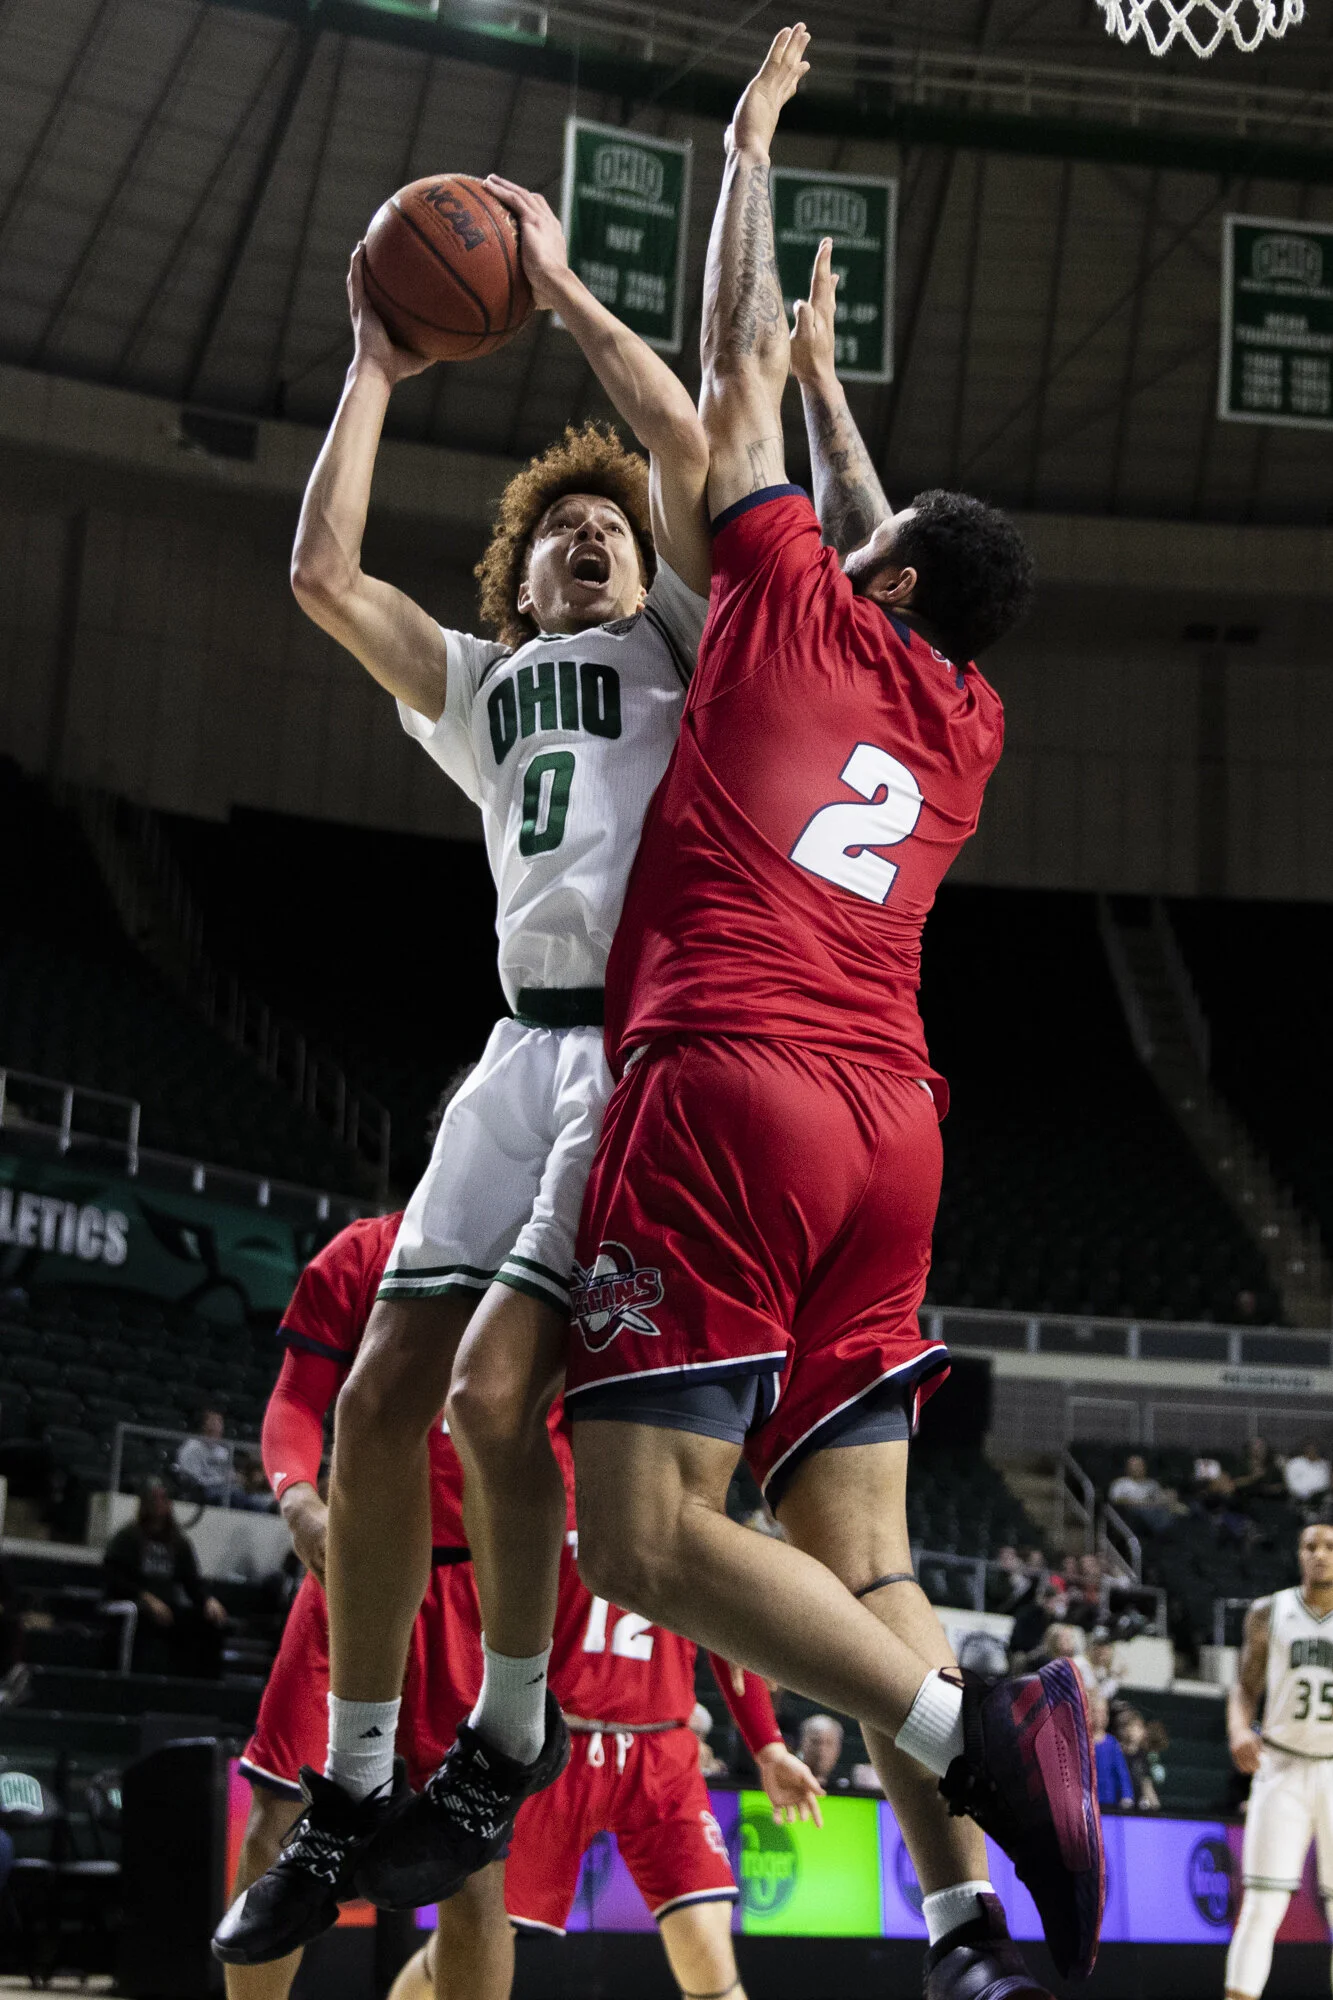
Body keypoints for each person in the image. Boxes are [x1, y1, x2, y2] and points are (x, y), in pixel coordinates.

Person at [388, 28, 1096, 2000]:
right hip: (895, 1129)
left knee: (640, 1536)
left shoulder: (784, 599)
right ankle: (965, 1930)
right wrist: (835, 400)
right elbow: (903, 540)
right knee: (863, 1563)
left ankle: (980, 1731)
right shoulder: (965, 715)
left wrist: (741, 150)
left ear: (869, 567)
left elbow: (700, 376)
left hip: (729, 1089)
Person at [216, 145, 720, 1964]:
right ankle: (360, 1784)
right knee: (377, 1408)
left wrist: (560, 288)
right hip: (510, 1056)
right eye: (558, 533)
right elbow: (319, 571)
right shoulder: (484, 690)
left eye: (610, 531)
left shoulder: (684, 646)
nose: (590, 537)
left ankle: (507, 1741)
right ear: (516, 581)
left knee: (503, 1402)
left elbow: (679, 451)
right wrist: (375, 358)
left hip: (629, 1061)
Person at [217, 1213, 821, 2000]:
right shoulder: (365, 1253)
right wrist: (298, 1500)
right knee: (277, 1821)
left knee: (474, 1876)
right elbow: (297, 1397)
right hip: (358, 1564)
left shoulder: (577, 1270)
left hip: (493, 1590)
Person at [1224, 1520, 1333, 2000]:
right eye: (1311, 1545)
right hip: (1282, 1765)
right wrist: (1237, 1730)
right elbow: (1245, 1687)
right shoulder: (1269, 1611)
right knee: (1261, 1905)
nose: (1320, 1554)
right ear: (1298, 1553)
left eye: (1329, 1546)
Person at [103, 1482, 227, 1677]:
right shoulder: (127, 1537)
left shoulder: (179, 1542)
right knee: (142, 1616)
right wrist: (147, 1598)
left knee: (207, 1621)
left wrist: (208, 1600)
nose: (162, 1503)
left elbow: (192, 1581)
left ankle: (199, 1685)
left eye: (165, 1499)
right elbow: (114, 1577)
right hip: (131, 1601)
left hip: (166, 1605)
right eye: (156, 1499)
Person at [1107, 1455, 1180, 1537]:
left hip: (1154, 1508)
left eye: (1140, 1465)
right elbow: (1115, 1500)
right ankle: (1164, 1529)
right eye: (1134, 1466)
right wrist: (1140, 1503)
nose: (1137, 1468)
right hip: (1132, 1511)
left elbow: (1159, 1498)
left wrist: (1168, 1496)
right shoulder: (1120, 1483)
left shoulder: (1152, 1484)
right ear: (1127, 1468)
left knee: (1170, 1508)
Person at [174, 1409, 235, 1507]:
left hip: (221, 1487)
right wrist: (221, 1480)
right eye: (214, 1422)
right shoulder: (191, 1448)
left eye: (220, 1422)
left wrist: (233, 1477)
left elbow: (229, 1474)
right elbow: (193, 1479)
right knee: (235, 1495)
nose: (218, 1426)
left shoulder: (223, 1452)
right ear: (204, 1425)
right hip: (201, 1489)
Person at [1090, 1695, 1133, 1810]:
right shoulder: (1082, 1742)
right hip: (1089, 1802)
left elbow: (1122, 1772)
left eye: (1104, 1713)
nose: (1101, 1717)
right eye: (1096, 1712)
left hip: (1109, 1802)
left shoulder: (1112, 1743)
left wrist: (1126, 1795)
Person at [1282, 1440, 1331, 1510]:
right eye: (1309, 1449)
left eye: (1314, 1449)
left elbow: (1326, 1483)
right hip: (1299, 1500)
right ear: (1304, 1449)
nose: (1312, 1451)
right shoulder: (1294, 1463)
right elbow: (1291, 1484)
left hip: (1321, 1499)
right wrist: (1309, 1494)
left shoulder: (1324, 1464)